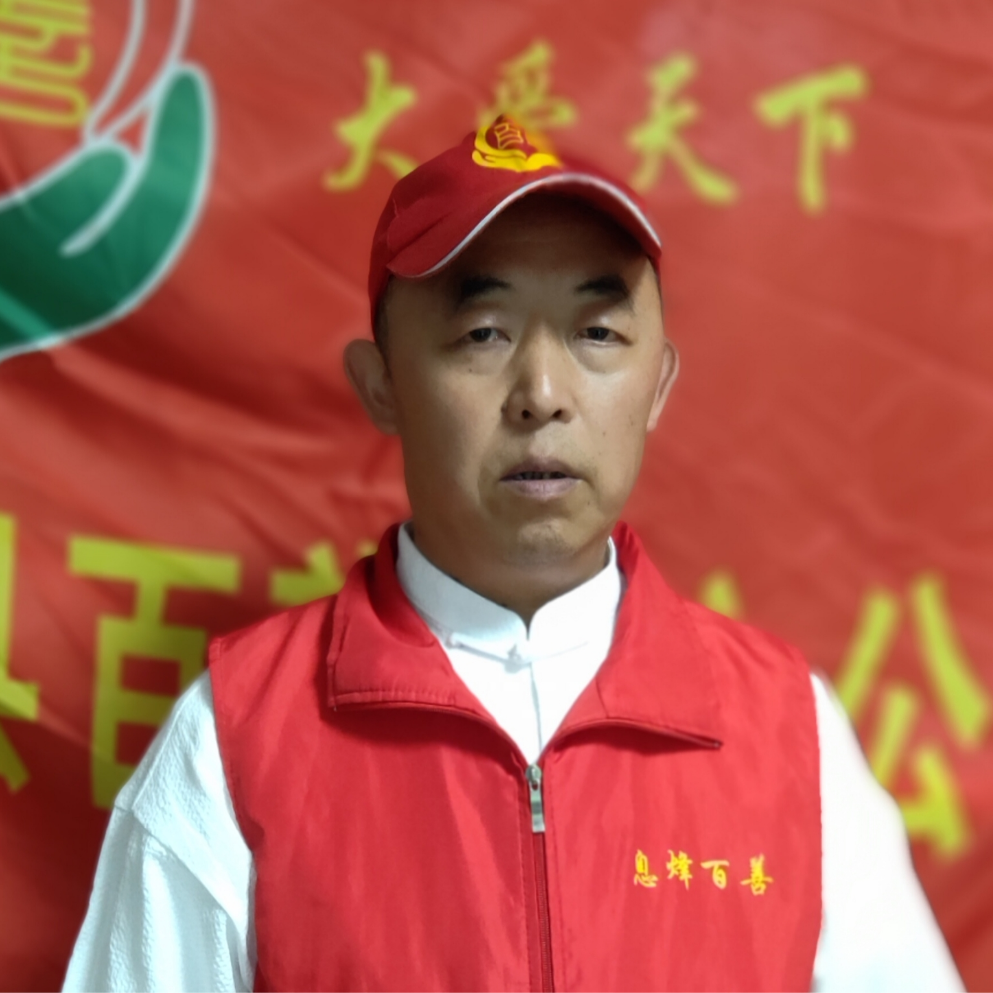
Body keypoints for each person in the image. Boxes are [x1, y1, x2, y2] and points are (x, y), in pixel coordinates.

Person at [62, 117, 965, 992]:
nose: (541, 392)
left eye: (596, 333)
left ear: (658, 383)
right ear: (381, 384)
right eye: (483, 332)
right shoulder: (236, 737)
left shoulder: (788, 735)